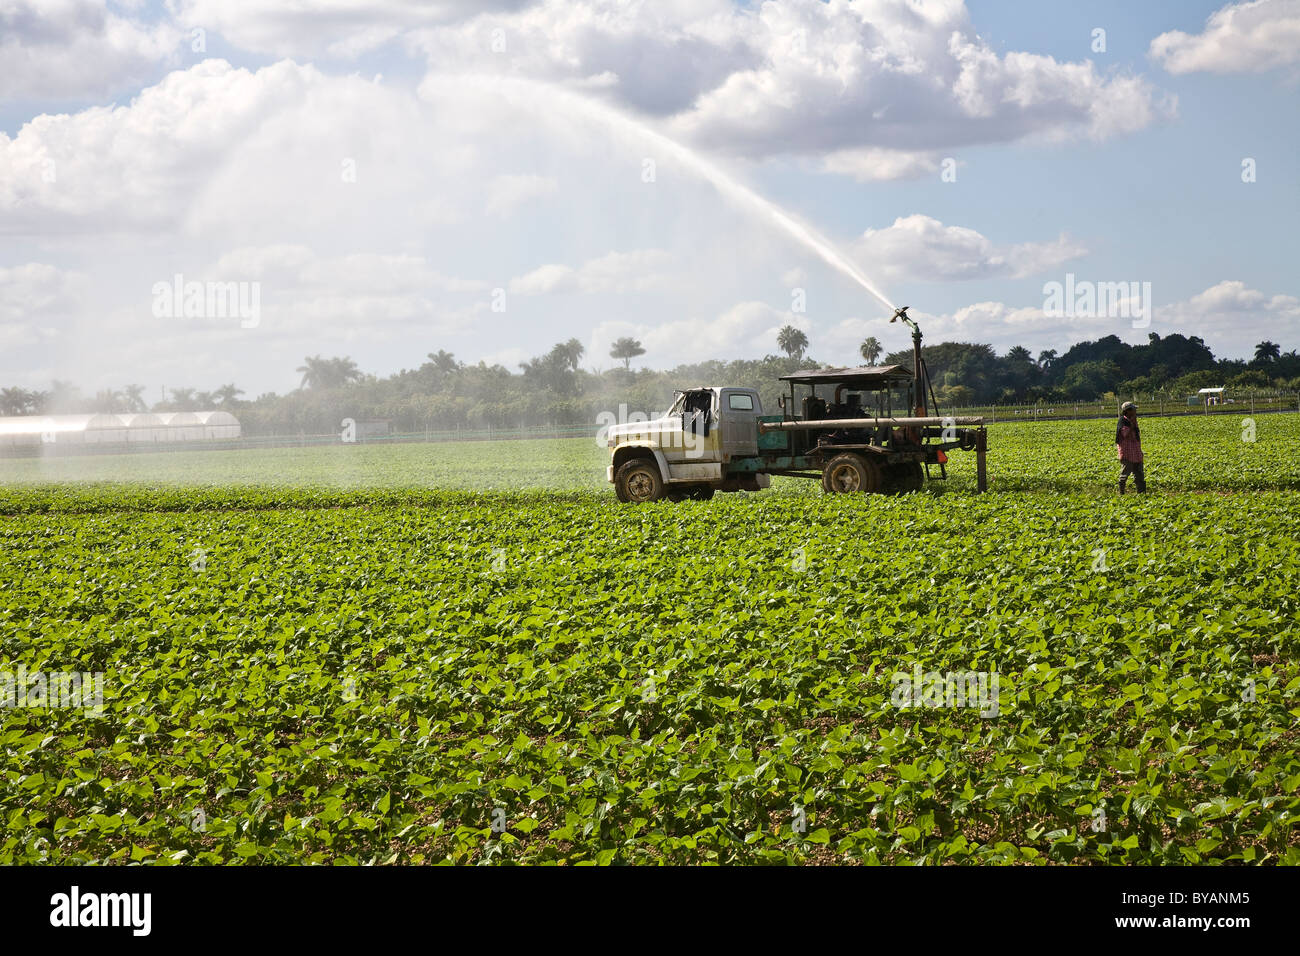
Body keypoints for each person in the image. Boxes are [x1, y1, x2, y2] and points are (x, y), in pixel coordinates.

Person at [1115, 401, 1145, 494]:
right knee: (1125, 473)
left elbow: (1136, 435)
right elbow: (1124, 433)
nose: (1135, 411)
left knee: (1139, 472)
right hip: (1127, 452)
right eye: (1133, 409)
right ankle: (1122, 493)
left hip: (1135, 451)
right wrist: (1131, 424)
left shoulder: (1133, 420)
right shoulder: (1123, 421)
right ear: (1128, 411)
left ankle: (1142, 493)